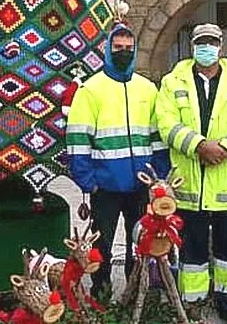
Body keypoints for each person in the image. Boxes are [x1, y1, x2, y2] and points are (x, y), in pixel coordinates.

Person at [156, 23, 227, 324]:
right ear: (193, 46)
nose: (206, 48)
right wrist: (199, 146)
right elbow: (166, 123)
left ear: (220, 46)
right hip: (190, 184)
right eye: (201, 43)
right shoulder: (172, 81)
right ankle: (192, 301)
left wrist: (226, 148)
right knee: (191, 249)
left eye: (212, 43)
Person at [65, 23, 170, 299]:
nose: (124, 52)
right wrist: (88, 181)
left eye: (128, 48)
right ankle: (101, 293)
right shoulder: (90, 90)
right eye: (118, 47)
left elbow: (157, 135)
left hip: (141, 184)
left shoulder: (148, 89)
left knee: (141, 242)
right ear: (108, 50)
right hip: (105, 185)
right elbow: (77, 138)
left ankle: (134, 293)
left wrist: (159, 174)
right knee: (102, 244)